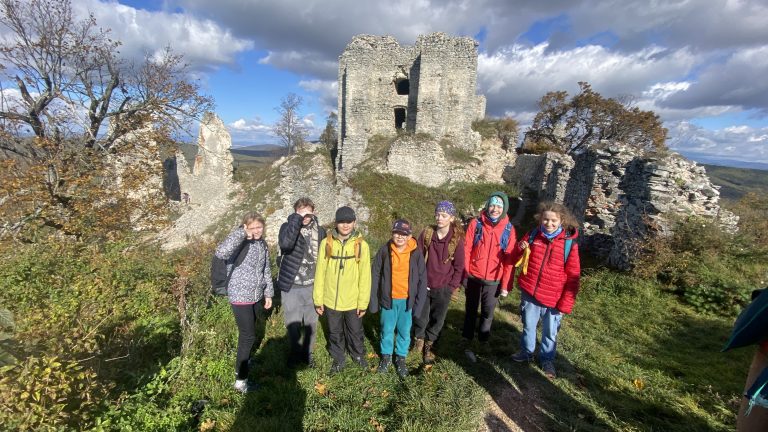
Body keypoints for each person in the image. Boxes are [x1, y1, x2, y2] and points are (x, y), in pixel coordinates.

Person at [509, 201, 581, 379]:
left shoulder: (568, 245)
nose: (549, 224)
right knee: (528, 326)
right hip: (531, 291)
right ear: (540, 219)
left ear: (562, 221)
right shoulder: (533, 235)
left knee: (550, 332)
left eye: (553, 221)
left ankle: (547, 360)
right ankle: (526, 352)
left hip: (554, 298)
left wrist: (565, 303)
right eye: (545, 220)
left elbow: (573, 276)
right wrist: (520, 248)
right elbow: (515, 256)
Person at [214, 212, 274, 393]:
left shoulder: (262, 244)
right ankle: (240, 381)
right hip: (240, 295)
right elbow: (221, 252)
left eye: (259, 227)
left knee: (252, 330)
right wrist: (242, 233)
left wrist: (268, 293)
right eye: (252, 227)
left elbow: (266, 270)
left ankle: (245, 359)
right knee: (247, 336)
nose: (256, 230)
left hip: (256, 295)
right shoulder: (240, 242)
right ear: (245, 227)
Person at [313, 206, 372, 374]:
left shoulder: (362, 246)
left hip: (353, 300)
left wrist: (363, 303)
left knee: (355, 330)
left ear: (354, 223)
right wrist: (318, 299)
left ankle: (358, 355)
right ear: (336, 223)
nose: (345, 225)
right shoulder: (327, 243)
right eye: (341, 222)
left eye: (349, 222)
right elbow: (320, 273)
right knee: (335, 331)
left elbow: (365, 277)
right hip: (331, 299)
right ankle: (338, 357)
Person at [462, 191, 516, 362]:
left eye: (499, 206)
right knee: (470, 309)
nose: (495, 209)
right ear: (487, 206)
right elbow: (466, 249)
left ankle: (483, 339)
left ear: (504, 208)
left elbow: (509, 260)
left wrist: (506, 285)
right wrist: (465, 272)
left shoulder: (509, 229)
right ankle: (467, 338)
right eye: (492, 205)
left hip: (494, 279)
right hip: (474, 276)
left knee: (487, 312)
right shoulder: (476, 224)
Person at [370, 219, 427, 377]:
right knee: (386, 330)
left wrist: (418, 304)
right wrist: (374, 301)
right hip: (388, 300)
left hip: (407, 301)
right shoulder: (384, 250)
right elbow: (375, 275)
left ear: (410, 236)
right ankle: (386, 356)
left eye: (404, 234)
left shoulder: (416, 253)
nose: (400, 236)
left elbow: (422, 280)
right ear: (392, 233)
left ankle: (401, 357)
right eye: (397, 233)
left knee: (404, 331)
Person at [412, 201, 465, 364]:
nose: (439, 218)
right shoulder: (428, 234)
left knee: (438, 318)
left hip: (443, 287)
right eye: (437, 214)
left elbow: (459, 266)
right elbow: (418, 257)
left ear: (451, 218)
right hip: (425, 284)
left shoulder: (456, 240)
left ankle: (430, 344)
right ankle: (418, 341)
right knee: (421, 316)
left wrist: (451, 287)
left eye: (444, 215)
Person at [278, 197, 326, 368]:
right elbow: (285, 244)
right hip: (292, 284)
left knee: (311, 322)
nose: (305, 216)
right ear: (295, 212)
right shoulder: (286, 227)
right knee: (293, 321)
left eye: (308, 212)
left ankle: (308, 354)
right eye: (301, 212)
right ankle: (294, 352)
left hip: (313, 284)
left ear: (313, 212)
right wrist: (296, 220)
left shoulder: (320, 231)